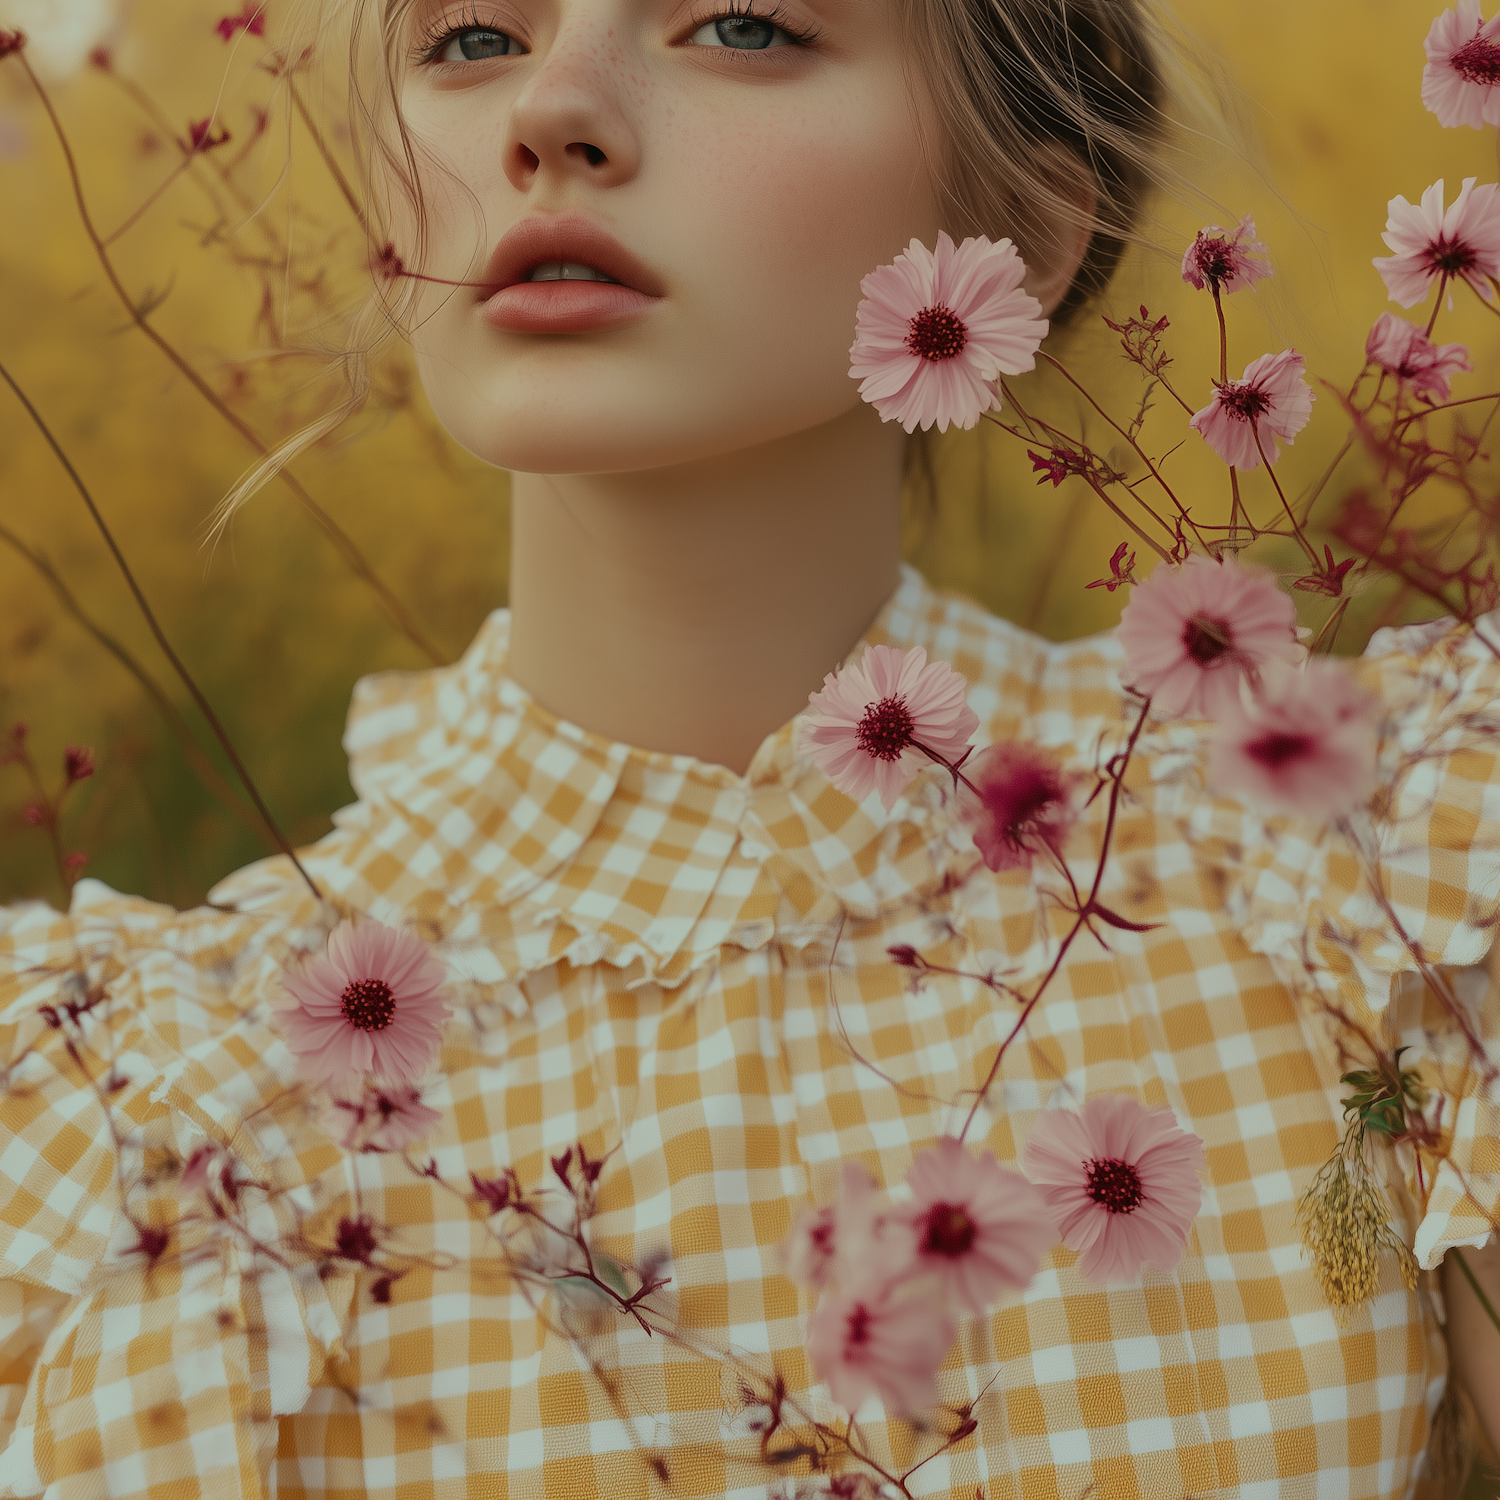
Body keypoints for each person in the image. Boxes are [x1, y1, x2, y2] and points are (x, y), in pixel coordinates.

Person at [1, 0, 1497, 1496]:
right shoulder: (131, 1120)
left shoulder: (1378, 870)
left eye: (741, 23)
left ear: (1022, 232)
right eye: (469, 39)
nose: (551, 114)